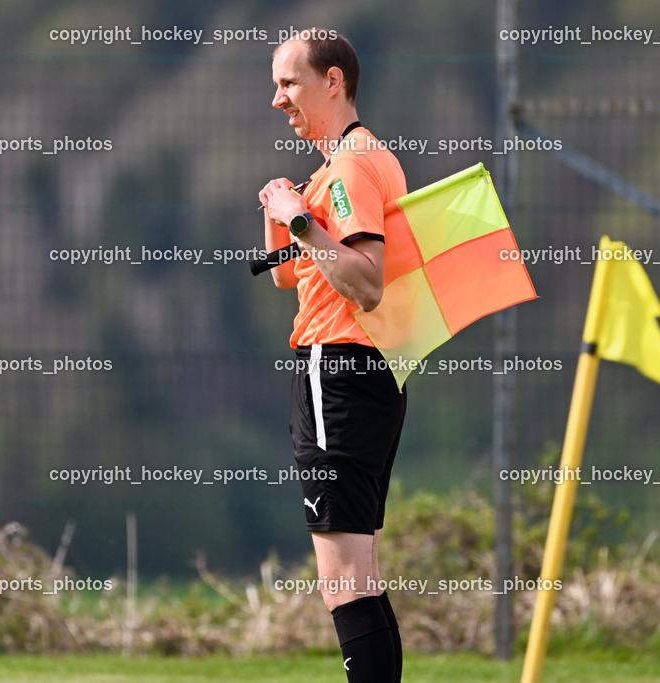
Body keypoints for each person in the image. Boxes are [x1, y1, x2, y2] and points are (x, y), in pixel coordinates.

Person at [258, 29, 407, 683]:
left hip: (339, 371)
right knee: (362, 575)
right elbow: (295, 275)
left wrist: (301, 221)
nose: (277, 99)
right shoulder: (344, 166)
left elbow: (365, 280)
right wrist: (287, 211)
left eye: (289, 83)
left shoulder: (349, 168)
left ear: (333, 82)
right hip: (367, 374)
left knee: (343, 582)